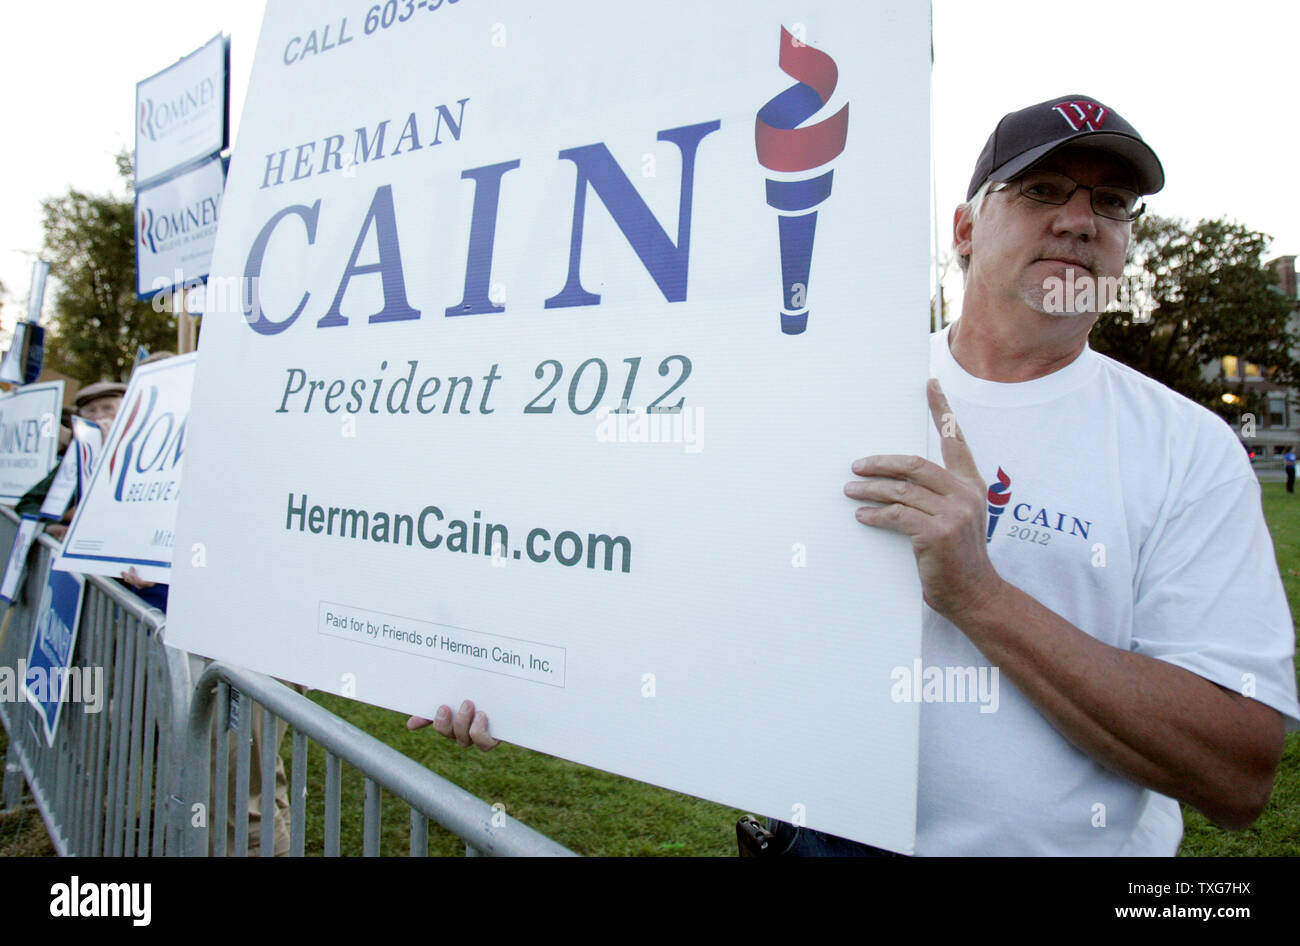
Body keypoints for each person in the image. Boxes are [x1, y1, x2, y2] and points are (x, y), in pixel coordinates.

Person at [414, 94, 1300, 856]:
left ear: (1125, 250)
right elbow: (681, 580)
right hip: (818, 841)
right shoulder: (832, 392)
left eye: (1111, 204)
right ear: (963, 228)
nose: (1079, 220)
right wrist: (509, 673)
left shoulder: (1187, 448)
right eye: (1039, 191)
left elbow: (1235, 771)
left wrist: (980, 596)